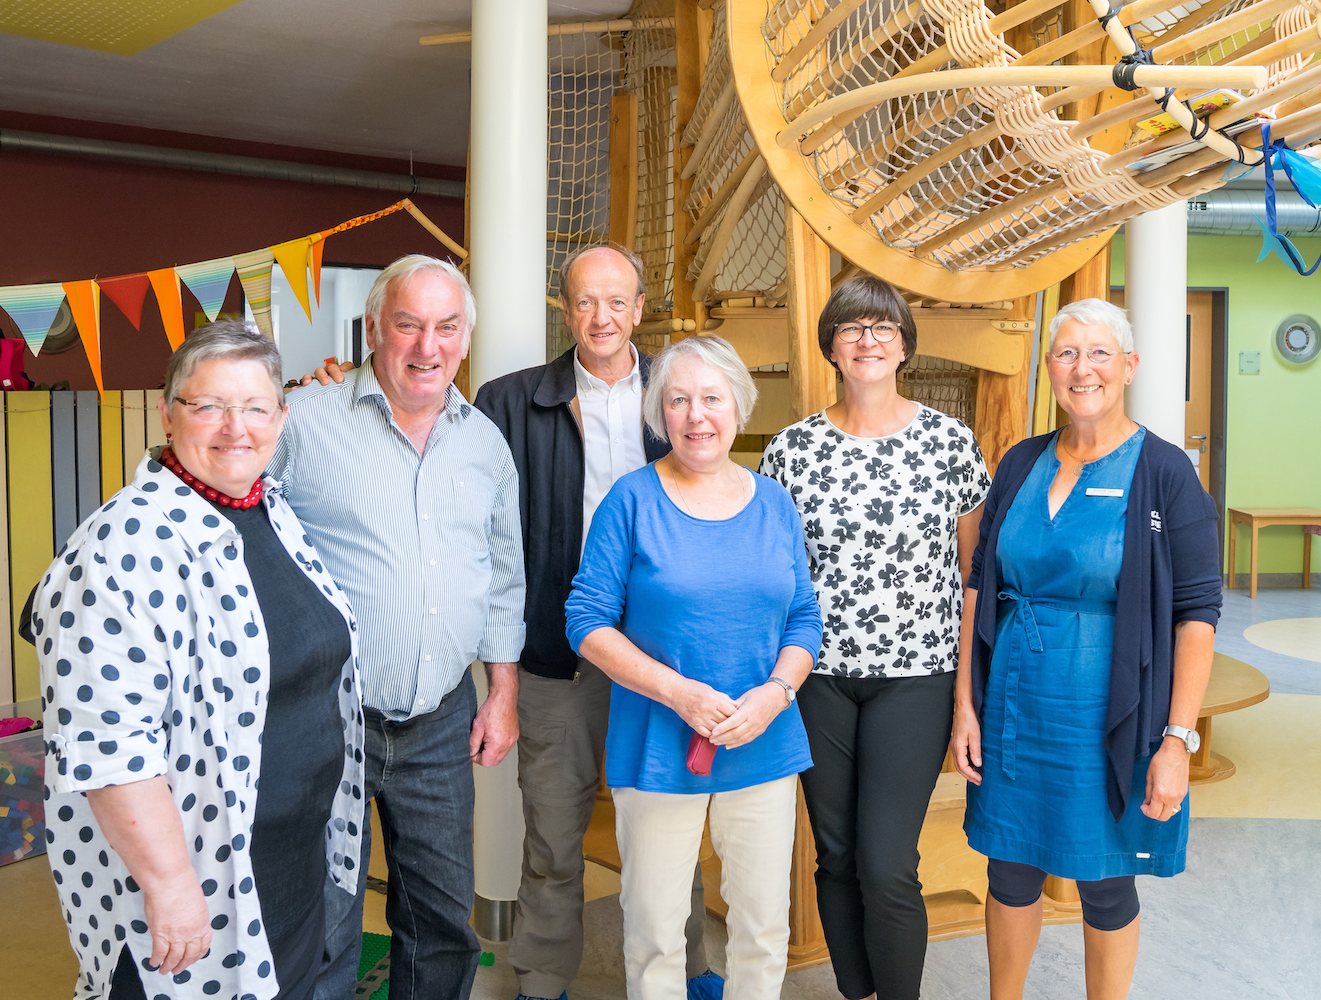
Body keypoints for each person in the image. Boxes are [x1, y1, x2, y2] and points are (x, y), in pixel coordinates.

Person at [308, 244, 720, 1000]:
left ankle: (693, 973)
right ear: (564, 309)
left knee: (670, 839)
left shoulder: (679, 393)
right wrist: (331, 379)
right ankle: (542, 981)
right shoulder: (507, 400)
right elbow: (493, 537)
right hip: (557, 653)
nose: (602, 317)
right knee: (554, 838)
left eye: (618, 301)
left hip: (664, 658)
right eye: (585, 301)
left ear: (638, 309)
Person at [33, 321, 365, 1000]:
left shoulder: (267, 509)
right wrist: (171, 886)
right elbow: (109, 745)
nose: (234, 427)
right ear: (167, 412)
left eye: (254, 408)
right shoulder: (123, 545)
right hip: (194, 877)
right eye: (208, 405)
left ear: (281, 416)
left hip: (286, 860)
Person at [950, 298, 1220, 999]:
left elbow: (1197, 614)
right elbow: (980, 581)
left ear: (1128, 367)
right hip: (1014, 703)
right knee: (1007, 869)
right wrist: (965, 705)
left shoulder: (1164, 472)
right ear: (1050, 370)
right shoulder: (1019, 463)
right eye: (1067, 353)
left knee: (1104, 878)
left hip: (1112, 712)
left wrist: (1177, 742)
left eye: (1099, 353)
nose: (1082, 368)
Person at [273, 255, 526, 1000]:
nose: (427, 346)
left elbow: (502, 576)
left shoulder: (483, 444)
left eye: (447, 328)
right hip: (326, 719)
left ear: (465, 338)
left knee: (444, 920)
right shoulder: (303, 421)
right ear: (374, 329)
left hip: (441, 721)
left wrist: (501, 694)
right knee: (323, 923)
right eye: (409, 325)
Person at [565, 335, 823, 1000]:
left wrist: (775, 693)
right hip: (657, 742)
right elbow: (586, 620)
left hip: (762, 741)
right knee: (655, 933)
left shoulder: (774, 503)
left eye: (711, 398)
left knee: (763, 930)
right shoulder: (631, 500)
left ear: (738, 405)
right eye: (678, 400)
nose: (696, 415)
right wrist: (678, 693)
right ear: (660, 415)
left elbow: (803, 619)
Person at [758, 275, 990, 1000]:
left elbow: (972, 575)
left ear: (904, 346)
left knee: (887, 861)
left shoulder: (947, 443)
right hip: (817, 677)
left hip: (917, 677)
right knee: (835, 856)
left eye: (883, 328)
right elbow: (775, 572)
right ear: (831, 344)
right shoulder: (792, 451)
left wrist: (965, 698)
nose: (868, 340)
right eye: (853, 328)